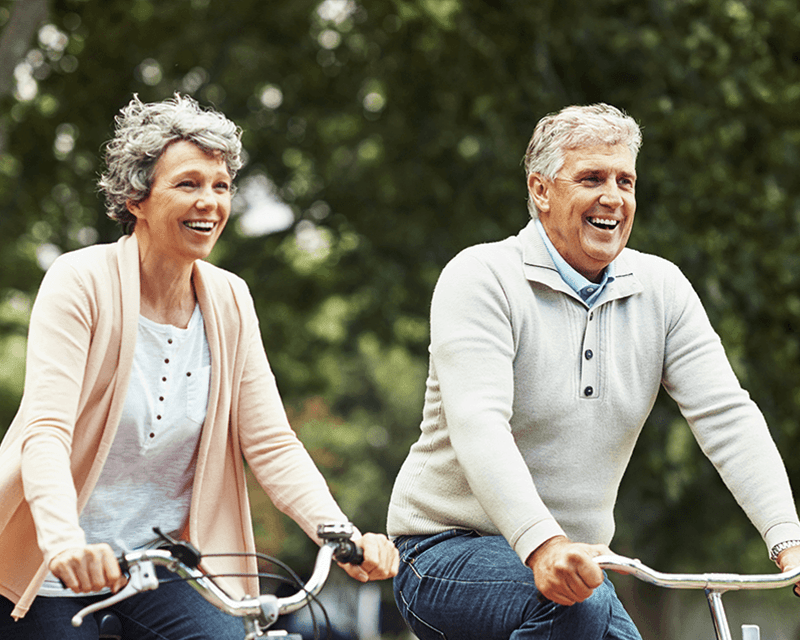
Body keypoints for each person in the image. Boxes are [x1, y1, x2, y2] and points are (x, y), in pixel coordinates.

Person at [386, 103, 800, 639]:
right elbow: (478, 424)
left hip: (583, 570)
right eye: (591, 178)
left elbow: (727, 415)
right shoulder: (481, 276)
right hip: (443, 553)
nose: (613, 197)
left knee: (585, 602)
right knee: (578, 605)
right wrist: (544, 544)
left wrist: (788, 540)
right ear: (540, 190)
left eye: (625, 180)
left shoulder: (663, 288)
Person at [0, 93, 399, 639]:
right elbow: (46, 432)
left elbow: (270, 443)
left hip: (159, 566)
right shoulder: (81, 282)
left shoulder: (230, 300)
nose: (209, 202)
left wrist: (339, 535)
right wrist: (65, 540)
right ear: (136, 198)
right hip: (56, 560)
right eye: (188, 184)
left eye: (221, 186)